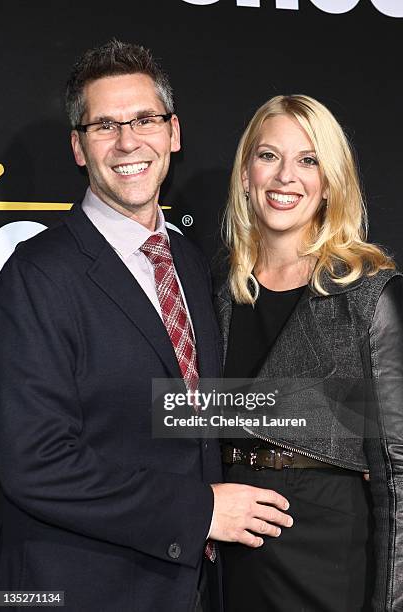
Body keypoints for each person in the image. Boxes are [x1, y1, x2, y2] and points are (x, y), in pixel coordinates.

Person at [0, 41, 292, 612]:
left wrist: (345, 424)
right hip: (81, 587)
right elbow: (35, 462)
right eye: (105, 125)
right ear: (78, 147)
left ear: (173, 133)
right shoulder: (35, 277)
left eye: (145, 120)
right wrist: (201, 511)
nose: (128, 141)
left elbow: (187, 410)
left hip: (189, 589)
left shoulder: (185, 259)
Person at [215, 94, 403, 611]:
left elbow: (399, 476)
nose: (285, 178)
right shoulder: (217, 292)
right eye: (268, 155)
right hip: (227, 561)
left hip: (326, 558)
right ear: (246, 173)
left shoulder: (370, 295)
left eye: (308, 160)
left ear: (330, 182)